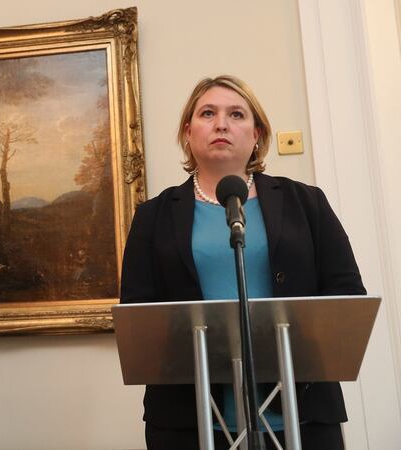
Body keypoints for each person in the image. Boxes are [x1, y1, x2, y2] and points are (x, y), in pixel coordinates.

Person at [120, 75, 365, 449]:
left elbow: (345, 294)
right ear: (188, 132)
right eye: (207, 113)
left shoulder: (306, 202)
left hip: (303, 413)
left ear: (256, 134)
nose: (221, 123)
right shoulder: (153, 216)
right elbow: (138, 314)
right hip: (188, 420)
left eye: (236, 114)